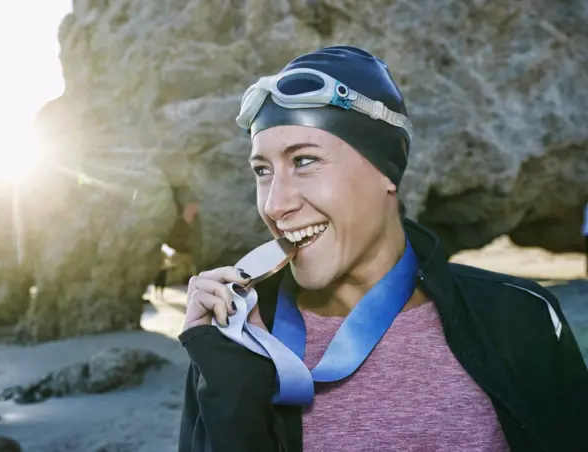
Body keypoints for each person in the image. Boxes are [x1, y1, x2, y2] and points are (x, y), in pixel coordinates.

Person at [176, 46, 588, 452]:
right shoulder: (235, 335)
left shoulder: (521, 316)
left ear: (386, 168)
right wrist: (228, 386)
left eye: (304, 161)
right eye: (262, 171)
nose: (274, 204)